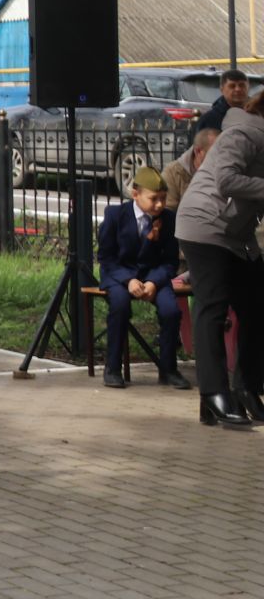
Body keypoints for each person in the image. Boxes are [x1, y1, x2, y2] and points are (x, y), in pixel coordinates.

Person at [173, 88, 264, 429]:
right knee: (212, 308)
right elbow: (226, 180)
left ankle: (247, 389)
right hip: (204, 225)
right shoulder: (243, 133)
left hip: (235, 234)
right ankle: (214, 394)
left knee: (256, 307)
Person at [95, 168, 187, 390]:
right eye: (153, 199)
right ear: (135, 194)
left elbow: (170, 262)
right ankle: (113, 368)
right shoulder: (115, 216)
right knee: (120, 305)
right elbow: (106, 257)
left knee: (171, 311)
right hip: (119, 275)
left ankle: (168, 369)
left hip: (153, 276)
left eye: (163, 199)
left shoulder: (168, 219)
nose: (159, 205)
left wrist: (154, 282)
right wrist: (129, 281)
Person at [162, 128, 217, 206]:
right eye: (215, 153)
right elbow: (169, 212)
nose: (220, 158)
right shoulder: (172, 173)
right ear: (198, 151)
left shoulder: (225, 170)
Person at [194, 69, 251, 136]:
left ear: (248, 87)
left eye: (241, 85)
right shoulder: (209, 120)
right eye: (232, 86)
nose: (238, 89)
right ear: (222, 89)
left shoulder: (259, 113)